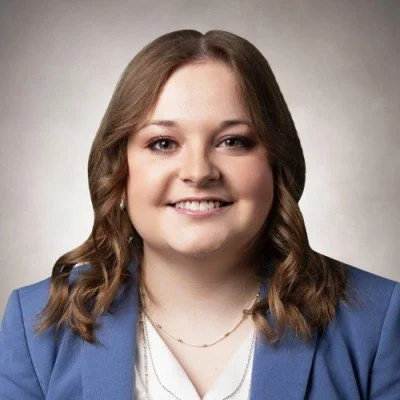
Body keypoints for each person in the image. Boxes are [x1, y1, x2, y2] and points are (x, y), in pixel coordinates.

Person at [0, 29, 399, 400]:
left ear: (277, 162)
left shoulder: (377, 322)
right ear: (118, 167)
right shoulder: (37, 326)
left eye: (232, 141)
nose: (198, 172)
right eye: (163, 143)